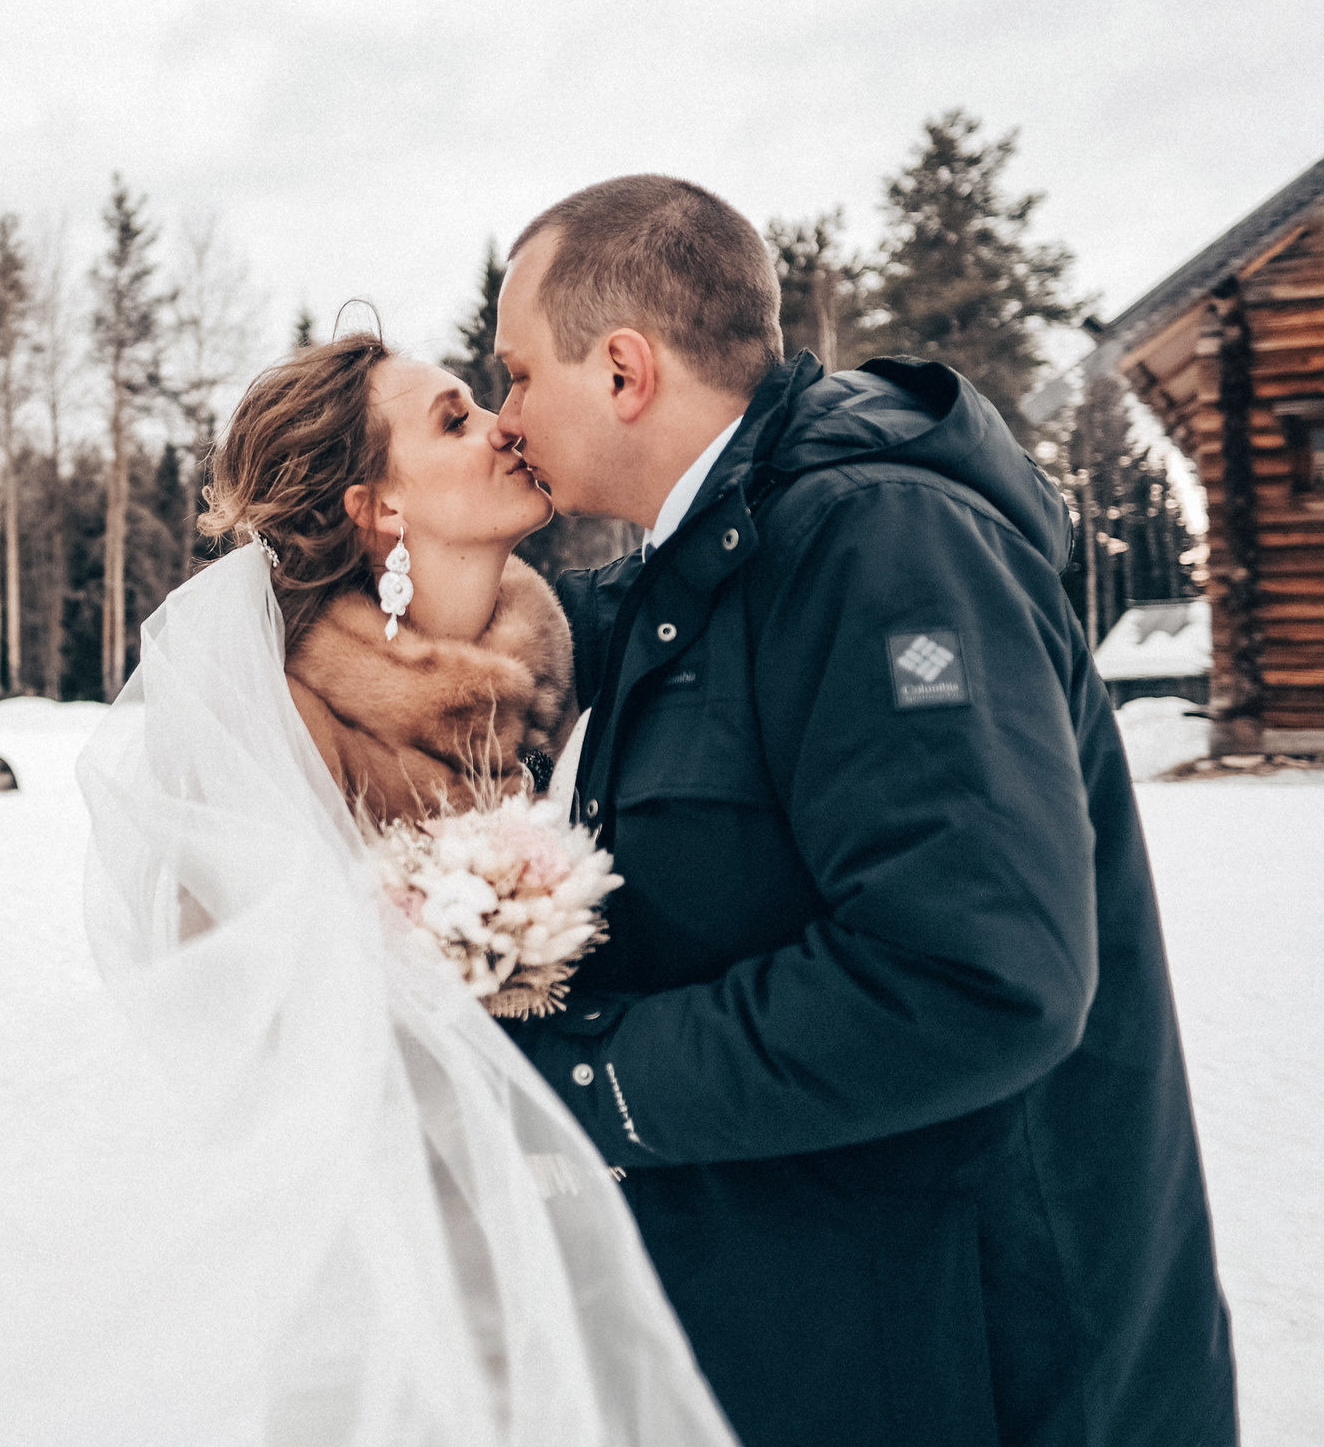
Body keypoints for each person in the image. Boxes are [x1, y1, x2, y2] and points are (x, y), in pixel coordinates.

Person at [487, 174, 1238, 1447]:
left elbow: (969, 975)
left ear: (622, 371)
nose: (504, 417)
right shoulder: (718, 564)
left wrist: (589, 1078)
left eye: (511, 376)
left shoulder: (884, 547)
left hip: (983, 1360)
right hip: (846, 1329)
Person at [76, 331, 737, 1444]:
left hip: (614, 1222)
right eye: (453, 419)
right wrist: (461, 947)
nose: (502, 426)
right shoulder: (274, 723)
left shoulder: (588, 668)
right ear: (376, 507)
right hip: (384, 1250)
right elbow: (248, 1032)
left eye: (485, 402)